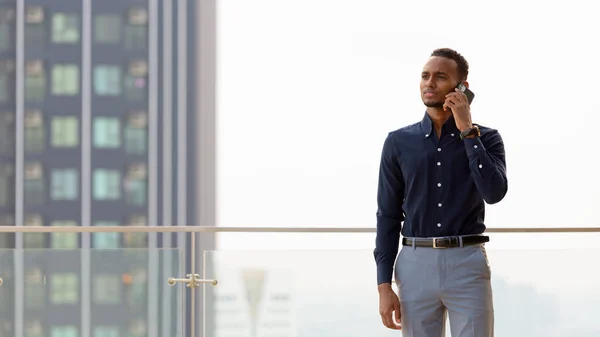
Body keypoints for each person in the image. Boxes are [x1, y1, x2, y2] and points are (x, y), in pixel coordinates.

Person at [373, 48, 508, 337]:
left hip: (467, 263)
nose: (430, 82)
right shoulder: (398, 142)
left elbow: (494, 192)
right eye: (425, 76)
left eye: (441, 77)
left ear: (462, 88)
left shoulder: (488, 138)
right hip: (414, 264)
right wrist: (384, 285)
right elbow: (387, 215)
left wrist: (467, 131)